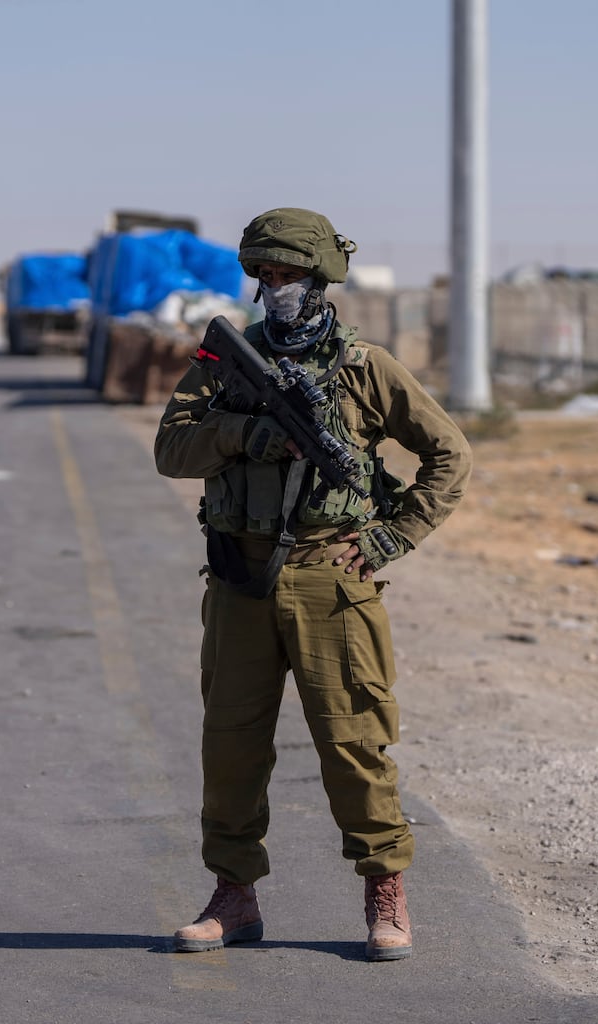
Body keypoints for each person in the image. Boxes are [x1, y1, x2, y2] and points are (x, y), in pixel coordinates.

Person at [153, 208, 472, 961]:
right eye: (266, 275)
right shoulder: (225, 358)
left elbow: (449, 455)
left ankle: (384, 889)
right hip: (241, 579)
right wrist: (244, 433)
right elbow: (172, 449)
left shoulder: (364, 368)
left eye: (291, 275)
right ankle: (233, 893)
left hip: (333, 580)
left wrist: (392, 537)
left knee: (355, 741)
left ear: (322, 279)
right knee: (231, 745)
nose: (277, 288)